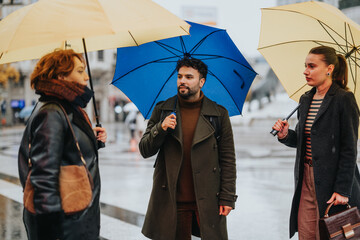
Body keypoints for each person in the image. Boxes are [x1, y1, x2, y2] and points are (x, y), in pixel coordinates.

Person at [139, 57, 237, 240]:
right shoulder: (163, 110)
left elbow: (228, 159)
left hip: (208, 199)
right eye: (180, 76)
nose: (182, 81)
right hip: (172, 200)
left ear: (201, 82)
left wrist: (227, 197)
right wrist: (160, 128)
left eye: (189, 77)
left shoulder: (219, 114)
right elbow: (145, 150)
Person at [272, 46, 360, 239]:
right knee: (307, 233)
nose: (305, 71)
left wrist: (342, 189)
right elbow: (305, 141)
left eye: (312, 66)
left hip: (333, 183)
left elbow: (349, 149)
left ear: (329, 68)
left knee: (333, 233)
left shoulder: (343, 99)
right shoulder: (306, 99)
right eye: (305, 66)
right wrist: (286, 135)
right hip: (306, 179)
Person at [18, 49, 107, 240]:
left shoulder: (65, 107)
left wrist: (91, 139)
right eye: (80, 70)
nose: (86, 76)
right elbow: (44, 176)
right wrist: (51, 231)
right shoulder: (51, 112)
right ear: (61, 76)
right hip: (65, 224)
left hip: (76, 216)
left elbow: (64, 152)